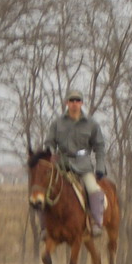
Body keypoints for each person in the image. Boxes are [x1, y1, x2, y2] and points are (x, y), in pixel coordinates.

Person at [42, 89, 107, 238]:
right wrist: (50, 153)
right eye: (71, 101)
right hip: (62, 165)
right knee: (44, 190)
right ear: (67, 103)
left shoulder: (91, 124)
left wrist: (100, 167)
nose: (74, 104)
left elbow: (99, 147)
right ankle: (45, 227)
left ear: (82, 103)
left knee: (93, 189)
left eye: (77, 101)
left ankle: (96, 223)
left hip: (83, 165)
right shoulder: (57, 123)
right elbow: (49, 143)